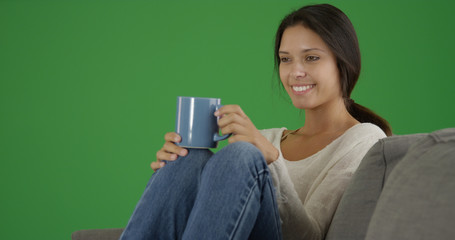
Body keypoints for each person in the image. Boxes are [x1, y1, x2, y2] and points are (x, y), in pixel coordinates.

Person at [120, 3, 391, 240]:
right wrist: (171, 172)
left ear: (343, 63)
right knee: (190, 156)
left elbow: (310, 237)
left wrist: (272, 158)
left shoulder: (364, 138)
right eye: (286, 60)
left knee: (242, 154)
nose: (295, 72)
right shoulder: (266, 138)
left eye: (311, 58)